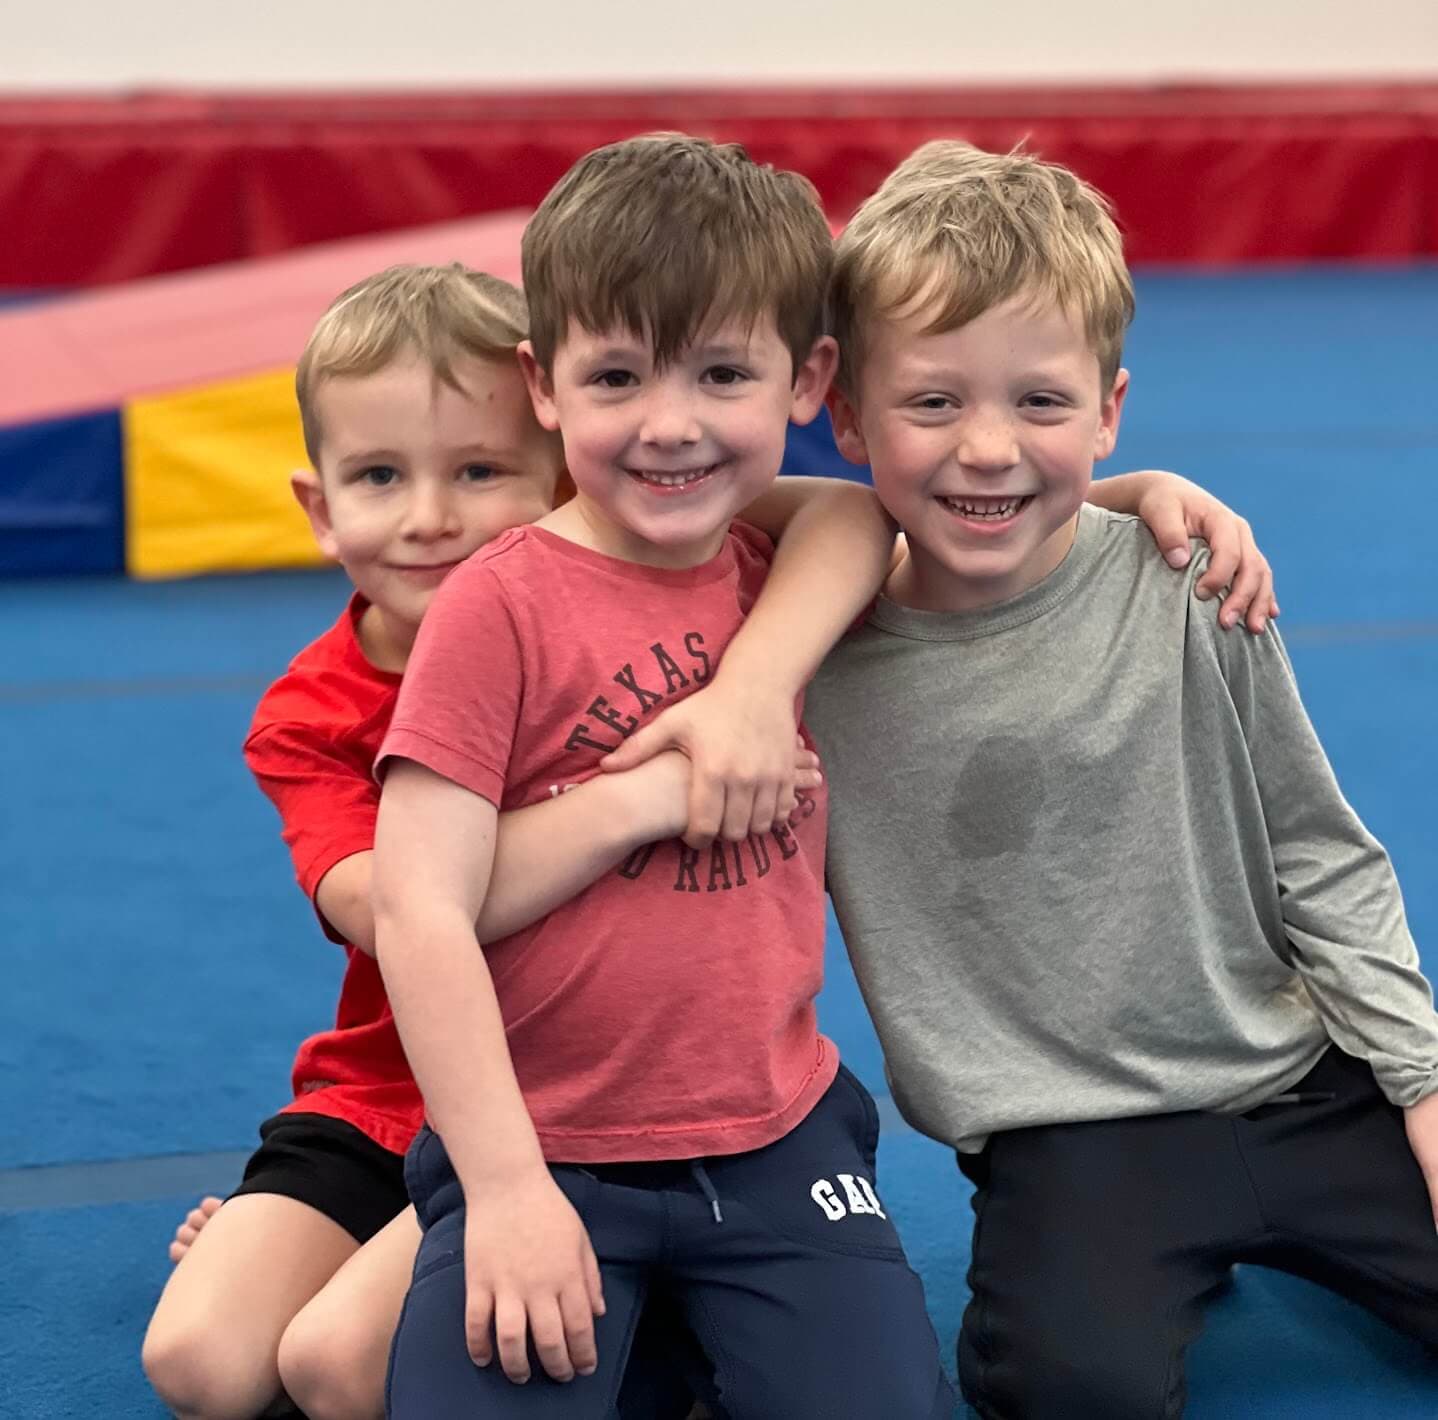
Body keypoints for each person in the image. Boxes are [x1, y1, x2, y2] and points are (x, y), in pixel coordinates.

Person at [370, 132, 1277, 1419]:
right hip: (551, 1144)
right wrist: (507, 1187)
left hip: (771, 1133)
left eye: (723, 373)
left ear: (807, 380)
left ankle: (675, 1339)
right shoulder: (497, 608)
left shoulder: (786, 564)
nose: (672, 423)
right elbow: (418, 907)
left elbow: (925, 517)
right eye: (618, 374)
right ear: (543, 383)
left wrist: (1141, 494)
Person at [611, 140, 1438, 1417]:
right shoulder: (799, 644)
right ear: (841, 412)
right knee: (1070, 1388)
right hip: (1072, 1140)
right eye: (931, 404)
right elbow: (661, 492)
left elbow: (1319, 851)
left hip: (1303, 1085)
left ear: (1108, 408)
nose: (986, 448)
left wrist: (1423, 1087)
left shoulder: (1187, 583)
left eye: (1041, 407)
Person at [142, 263, 804, 1420]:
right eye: (380, 476)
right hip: (382, 1092)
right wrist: (638, 798)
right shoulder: (310, 712)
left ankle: (648, 1318)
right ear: (318, 504)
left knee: (337, 1371)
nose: (429, 515)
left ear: (559, 471)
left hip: (568, 1097)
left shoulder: (619, 599)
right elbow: (392, 902)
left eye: (479, 470)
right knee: (198, 1363)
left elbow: (849, 517)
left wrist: (1136, 488)